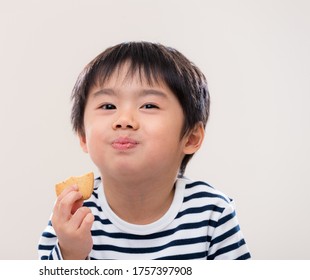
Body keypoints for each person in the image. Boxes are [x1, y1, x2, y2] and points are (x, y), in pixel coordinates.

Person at [38, 41, 251, 260]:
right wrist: (71, 252)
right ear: (83, 136)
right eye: (108, 106)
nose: (124, 120)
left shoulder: (212, 213)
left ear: (191, 137)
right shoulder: (74, 214)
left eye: (149, 105)